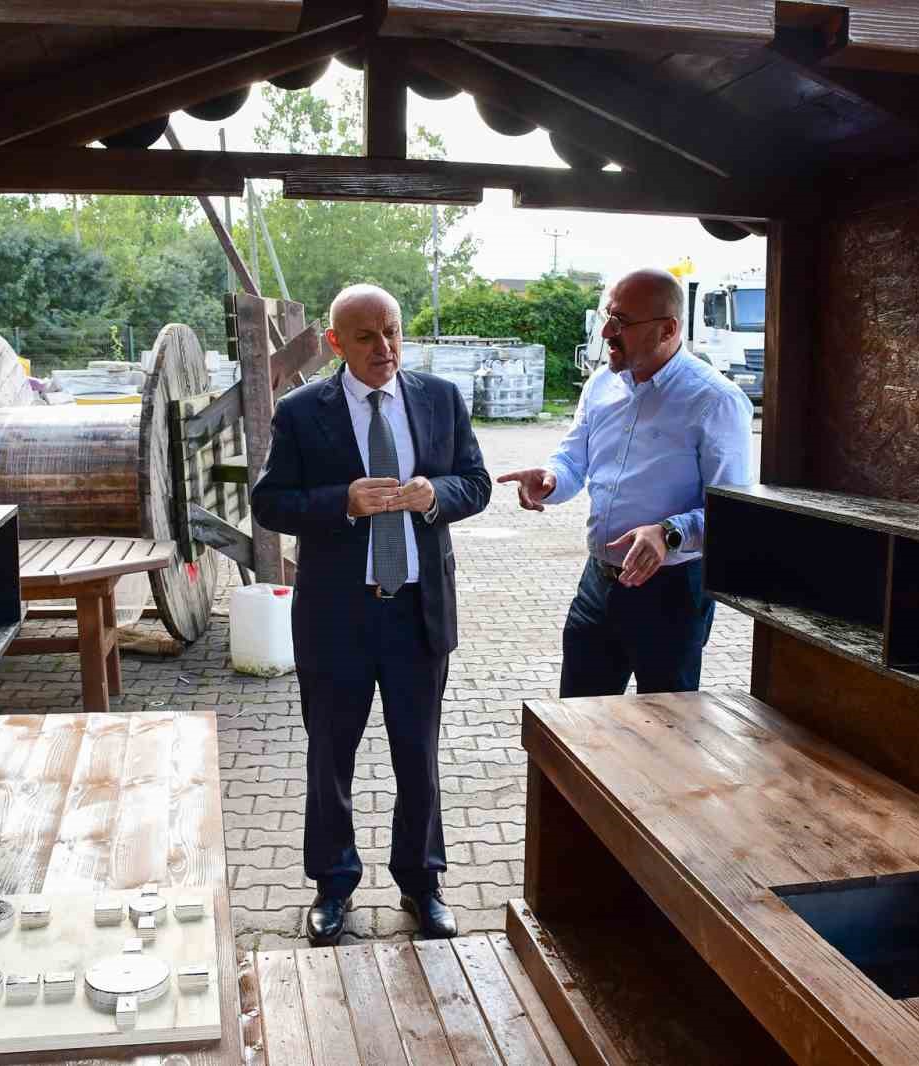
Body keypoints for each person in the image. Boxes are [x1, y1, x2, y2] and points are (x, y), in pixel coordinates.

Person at [252, 284, 491, 946]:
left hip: (417, 612)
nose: (384, 347)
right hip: (337, 617)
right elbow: (270, 503)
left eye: (392, 331)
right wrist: (344, 503)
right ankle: (333, 886)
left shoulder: (439, 398)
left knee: (418, 754)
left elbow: (475, 483)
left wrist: (435, 494)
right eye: (366, 336)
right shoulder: (302, 412)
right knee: (331, 756)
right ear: (336, 343)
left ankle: (422, 883)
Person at [497, 267, 752, 697]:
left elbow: (735, 516)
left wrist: (668, 533)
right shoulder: (601, 385)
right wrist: (551, 479)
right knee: (578, 718)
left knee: (663, 725)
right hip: (597, 582)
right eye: (607, 317)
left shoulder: (715, 401)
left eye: (622, 322)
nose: (607, 332)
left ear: (668, 329)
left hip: (671, 594)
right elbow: (572, 459)